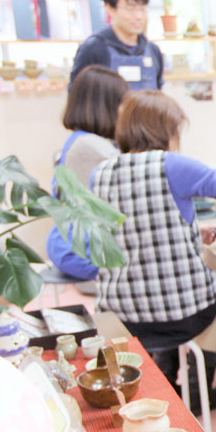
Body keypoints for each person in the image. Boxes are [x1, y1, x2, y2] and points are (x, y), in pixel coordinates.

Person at [91, 91, 216, 413]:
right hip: (184, 317)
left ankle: (165, 384)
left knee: (156, 296)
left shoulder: (99, 174)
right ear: (168, 131)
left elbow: (125, 231)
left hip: (120, 317)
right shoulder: (174, 165)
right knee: (214, 301)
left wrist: (186, 231)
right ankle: (198, 396)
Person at [45, 65, 129, 280]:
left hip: (69, 243)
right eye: (123, 103)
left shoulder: (80, 139)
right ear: (107, 106)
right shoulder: (93, 146)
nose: (126, 111)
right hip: (83, 251)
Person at [71, 0, 165, 90]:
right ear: (110, 9)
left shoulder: (152, 50)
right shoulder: (94, 49)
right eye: (131, 9)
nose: (139, 17)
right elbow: (78, 96)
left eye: (142, 9)